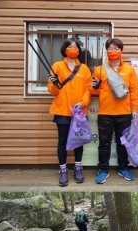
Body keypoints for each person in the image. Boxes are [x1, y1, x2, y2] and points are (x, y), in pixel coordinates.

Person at [91, 38, 138, 184]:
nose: (113, 52)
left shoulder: (129, 70)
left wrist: (135, 109)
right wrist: (95, 86)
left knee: (123, 143)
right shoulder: (99, 70)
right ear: (106, 51)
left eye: (116, 49)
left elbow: (134, 91)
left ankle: (123, 168)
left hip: (124, 113)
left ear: (121, 51)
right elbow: (92, 91)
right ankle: (103, 169)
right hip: (105, 113)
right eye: (110, 49)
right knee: (104, 143)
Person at [47, 37, 92, 187]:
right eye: (70, 46)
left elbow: (88, 89)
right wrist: (53, 84)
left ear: (79, 50)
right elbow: (53, 91)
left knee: (78, 140)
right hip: (62, 110)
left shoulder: (84, 69)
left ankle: (78, 168)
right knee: (63, 140)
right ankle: (63, 170)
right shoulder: (57, 66)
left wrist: (83, 102)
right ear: (65, 50)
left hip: (79, 112)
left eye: (76, 46)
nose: (73, 49)